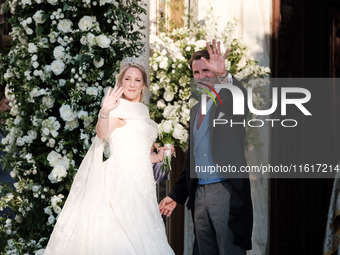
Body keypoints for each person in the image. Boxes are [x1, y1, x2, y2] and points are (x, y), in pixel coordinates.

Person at [44, 58, 175, 255]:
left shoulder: (143, 111)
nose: (132, 84)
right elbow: (102, 133)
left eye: (137, 80)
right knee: (123, 238)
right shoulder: (118, 108)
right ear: (121, 83)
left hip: (142, 183)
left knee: (144, 237)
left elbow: (136, 150)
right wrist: (104, 113)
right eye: (127, 79)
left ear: (144, 86)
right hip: (121, 181)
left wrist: (156, 158)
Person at [159, 40, 253, 255]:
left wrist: (224, 76)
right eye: (196, 72)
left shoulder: (228, 103)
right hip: (199, 194)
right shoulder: (194, 111)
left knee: (230, 250)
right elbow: (192, 160)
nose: (201, 76)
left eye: (206, 70)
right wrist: (176, 195)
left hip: (225, 190)